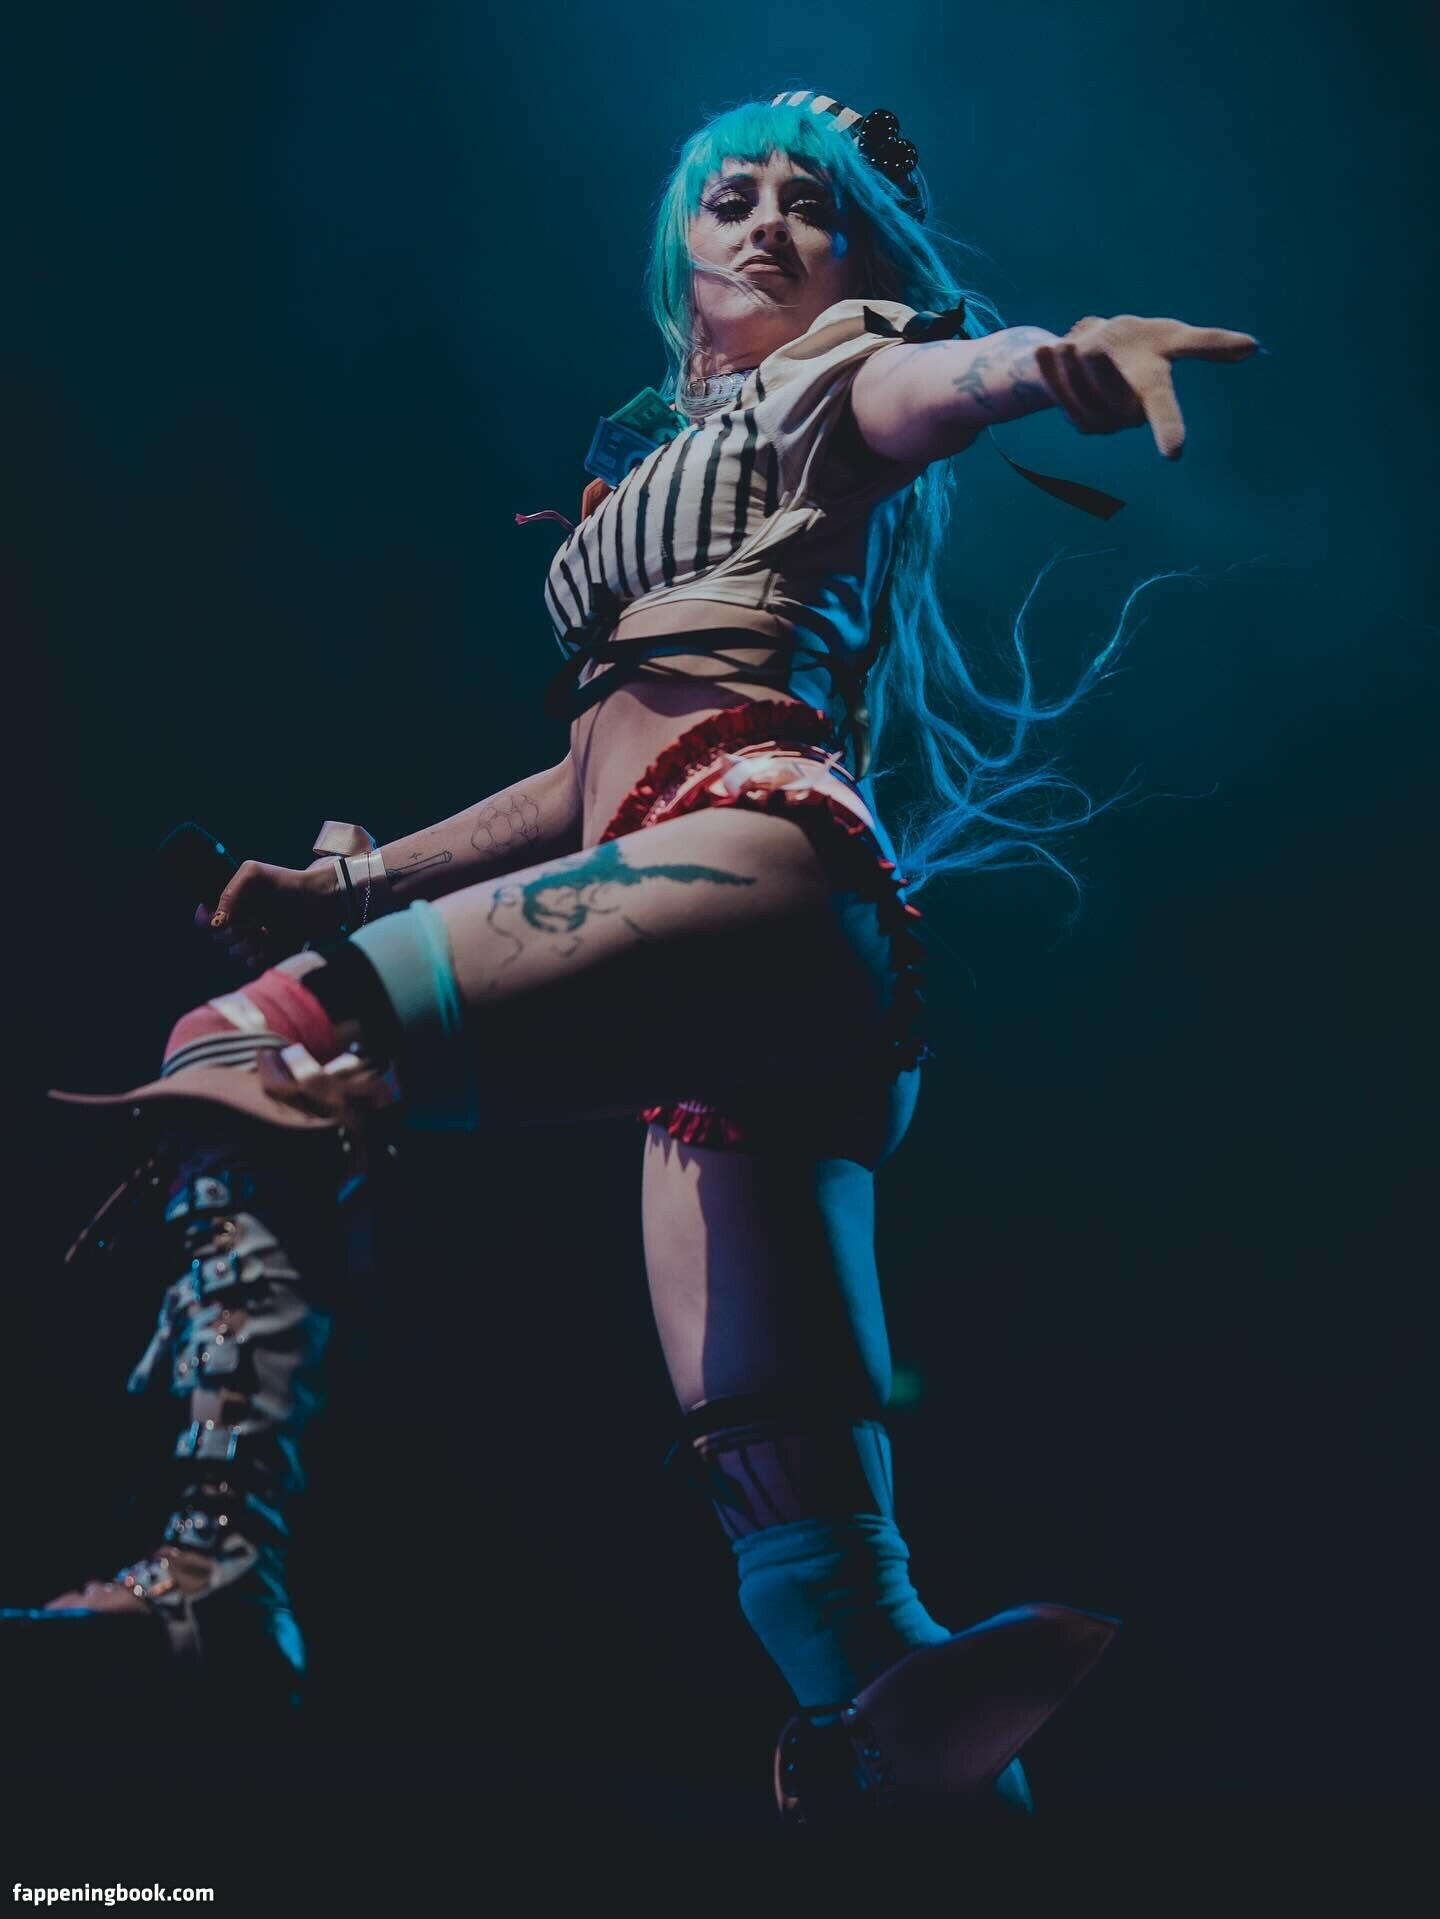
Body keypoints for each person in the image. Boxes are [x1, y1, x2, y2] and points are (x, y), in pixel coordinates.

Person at [16, 90, 1259, 1820]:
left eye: (808, 205)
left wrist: (1055, 364)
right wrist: (358, 881)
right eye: (729, 196)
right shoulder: (670, 457)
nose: (766, 223)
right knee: (827, 1593)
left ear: (857, 256)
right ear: (680, 243)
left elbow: (936, 387)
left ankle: (217, 1578)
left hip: (757, 862)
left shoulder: (841, 378)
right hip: (747, 973)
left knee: (255, 1043)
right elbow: (588, 773)